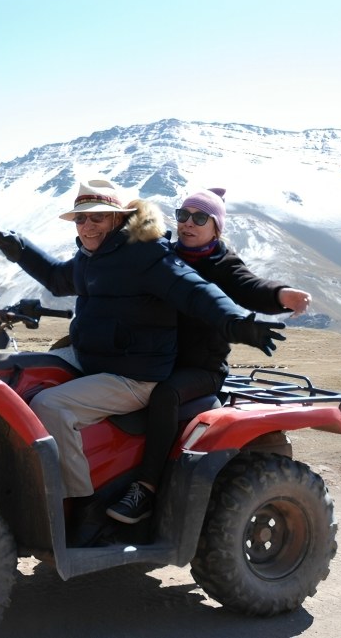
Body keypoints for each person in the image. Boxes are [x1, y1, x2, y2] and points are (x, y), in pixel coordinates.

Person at [0, 178, 286, 504]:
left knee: (51, 406)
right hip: (95, 357)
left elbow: (195, 292)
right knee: (17, 373)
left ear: (117, 218)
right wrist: (12, 244)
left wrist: (237, 324)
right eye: (81, 218)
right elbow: (57, 278)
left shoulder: (146, 255)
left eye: (97, 216)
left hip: (134, 373)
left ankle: (73, 503)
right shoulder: (94, 254)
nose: (87, 226)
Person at [106, 187, 312, 524]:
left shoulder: (223, 264)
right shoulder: (165, 256)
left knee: (165, 395)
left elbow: (249, 286)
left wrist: (279, 295)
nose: (188, 223)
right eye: (183, 215)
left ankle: (146, 488)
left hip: (201, 368)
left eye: (200, 218)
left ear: (216, 227)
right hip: (155, 359)